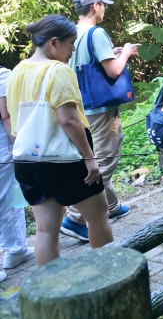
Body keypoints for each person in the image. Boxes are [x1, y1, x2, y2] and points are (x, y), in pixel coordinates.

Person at [8, 15, 114, 265]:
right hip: (64, 159)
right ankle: (109, 277)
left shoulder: (17, 71)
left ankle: (53, 290)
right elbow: (69, 120)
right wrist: (90, 158)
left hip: (27, 160)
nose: (73, 50)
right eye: (71, 43)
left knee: (46, 230)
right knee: (98, 217)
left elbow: (13, 121)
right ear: (53, 43)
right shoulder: (58, 71)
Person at [61, 0, 136, 242]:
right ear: (95, 6)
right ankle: (74, 217)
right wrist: (124, 53)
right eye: (103, 5)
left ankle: (112, 206)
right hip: (100, 110)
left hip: (80, 106)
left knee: (95, 157)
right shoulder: (97, 32)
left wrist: (111, 53)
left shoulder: (71, 32)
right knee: (104, 161)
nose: (105, 9)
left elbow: (87, 65)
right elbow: (114, 72)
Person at [0, 67, 30, 279]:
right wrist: (19, 148)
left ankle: (17, 247)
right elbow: (6, 115)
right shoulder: (3, 75)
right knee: (8, 198)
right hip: (2, 149)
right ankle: (15, 249)